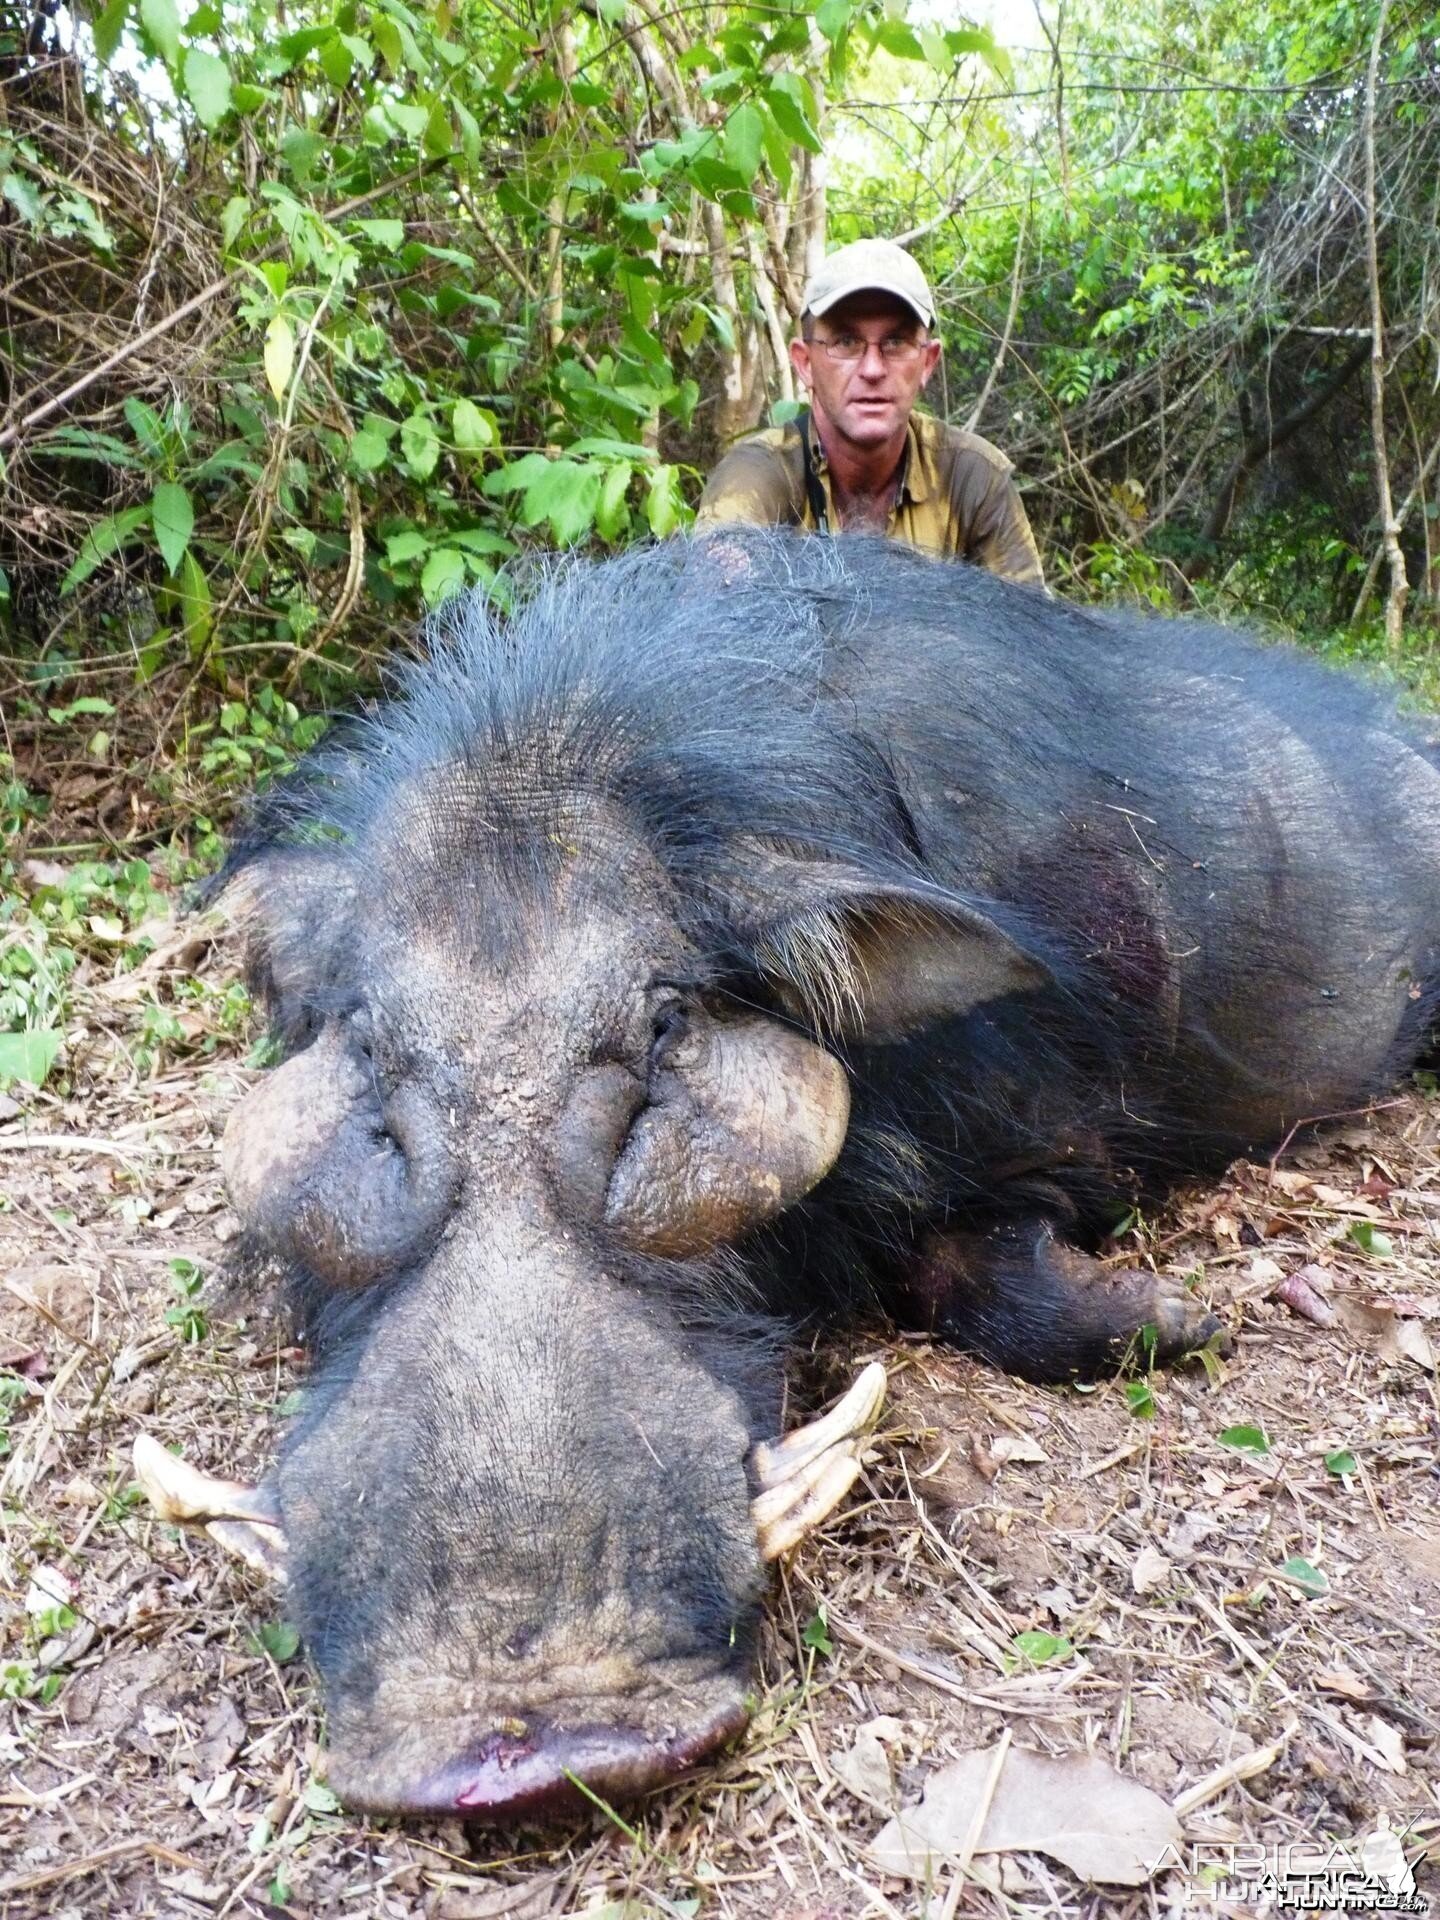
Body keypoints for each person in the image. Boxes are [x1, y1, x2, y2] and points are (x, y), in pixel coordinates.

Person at [696, 238, 1044, 587]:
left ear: (927, 361)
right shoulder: (759, 476)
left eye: (895, 343)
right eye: (846, 342)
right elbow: (716, 595)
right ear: (804, 363)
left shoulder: (973, 479)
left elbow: (1029, 632)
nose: (873, 369)